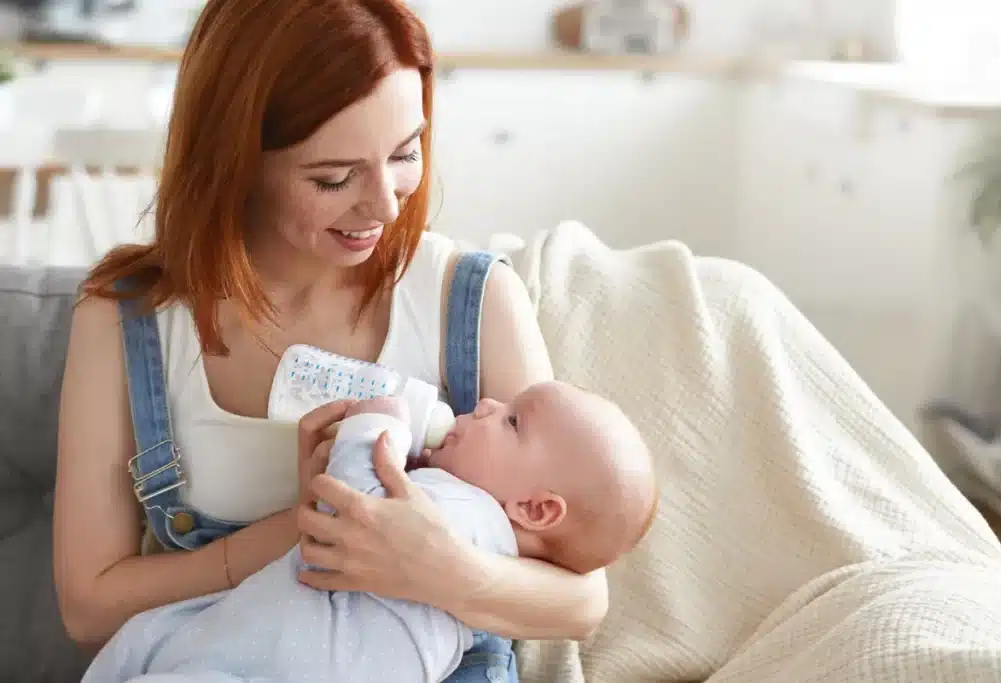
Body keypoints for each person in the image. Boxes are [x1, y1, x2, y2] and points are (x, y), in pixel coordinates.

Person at [52, 1, 609, 681]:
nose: (385, 204)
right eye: (333, 177)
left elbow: (582, 598)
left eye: (405, 153)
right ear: (237, 157)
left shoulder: (471, 299)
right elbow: (88, 608)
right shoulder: (125, 320)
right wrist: (314, 525)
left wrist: (443, 567)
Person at [80, 382, 657, 683]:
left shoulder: (466, 513)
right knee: (150, 641)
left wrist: (375, 422)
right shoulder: (474, 517)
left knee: (147, 645)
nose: (485, 402)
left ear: (534, 509)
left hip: (280, 665)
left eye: (511, 421)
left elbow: (355, 501)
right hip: (276, 648)